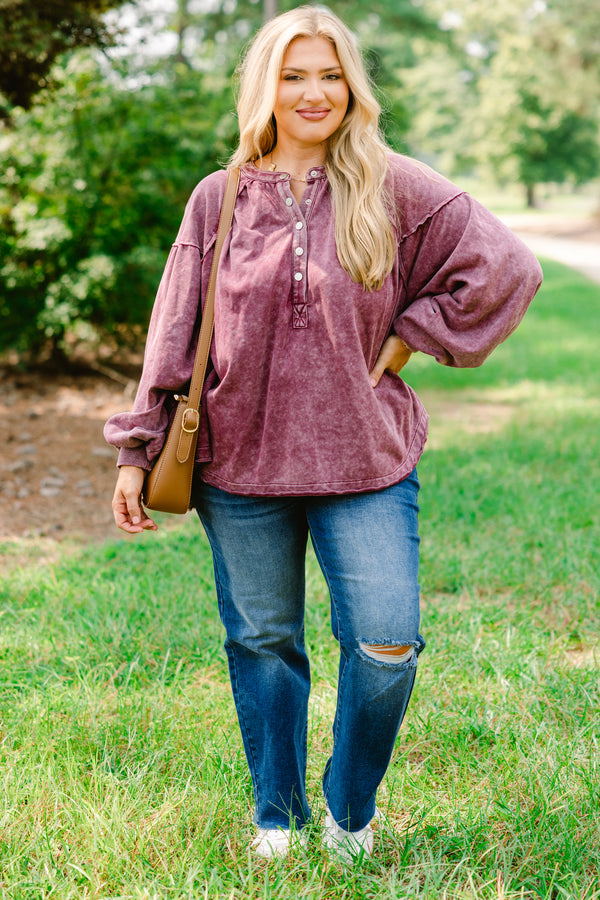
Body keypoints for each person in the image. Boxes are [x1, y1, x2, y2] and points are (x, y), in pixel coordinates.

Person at [104, 5, 542, 862]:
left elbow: (507, 267)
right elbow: (175, 327)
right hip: (238, 463)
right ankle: (276, 816)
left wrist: (414, 335)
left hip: (364, 458)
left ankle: (347, 809)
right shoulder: (219, 196)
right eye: (294, 75)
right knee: (263, 640)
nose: (313, 92)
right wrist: (136, 448)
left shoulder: (396, 184)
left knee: (386, 642)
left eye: (330, 74)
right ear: (265, 88)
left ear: (352, 86)